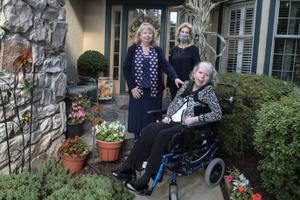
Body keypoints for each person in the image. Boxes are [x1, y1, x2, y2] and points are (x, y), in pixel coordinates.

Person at [112, 61, 222, 192]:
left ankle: (146, 179)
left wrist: (195, 119)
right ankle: (127, 167)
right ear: (194, 73)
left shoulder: (208, 91)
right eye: (200, 73)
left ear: (210, 78)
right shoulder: (187, 84)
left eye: (206, 75)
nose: (202, 77)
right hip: (172, 121)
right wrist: (168, 115)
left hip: (187, 127)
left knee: (163, 136)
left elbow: (217, 114)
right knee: (149, 129)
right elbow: (175, 102)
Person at [123, 22, 183, 140]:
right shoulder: (132, 49)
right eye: (145, 33)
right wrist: (132, 87)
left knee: (151, 117)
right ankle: (137, 141)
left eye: (150, 33)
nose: (147, 35)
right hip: (138, 91)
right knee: (137, 118)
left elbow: (166, 66)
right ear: (140, 35)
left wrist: (175, 77)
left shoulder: (157, 50)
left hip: (154, 92)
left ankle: (150, 140)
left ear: (153, 36)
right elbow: (126, 69)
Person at [167, 22, 201, 100]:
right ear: (179, 33)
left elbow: (198, 67)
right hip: (175, 84)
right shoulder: (173, 50)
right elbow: (170, 67)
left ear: (190, 35)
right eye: (182, 32)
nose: (184, 34)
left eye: (187, 32)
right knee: (174, 107)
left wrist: (195, 84)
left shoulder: (194, 49)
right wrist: (168, 84)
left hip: (188, 84)